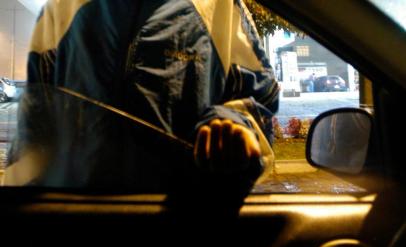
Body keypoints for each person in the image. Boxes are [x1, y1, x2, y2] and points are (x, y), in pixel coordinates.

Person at [3, 0, 279, 193]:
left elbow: (261, 100)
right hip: (77, 224)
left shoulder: (218, 6)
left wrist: (234, 125)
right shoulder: (62, 8)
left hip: (182, 225)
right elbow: (33, 131)